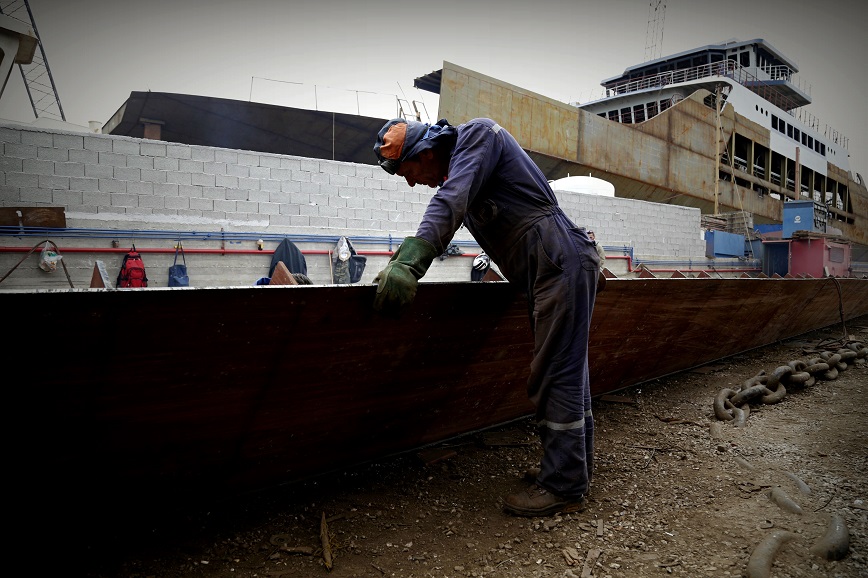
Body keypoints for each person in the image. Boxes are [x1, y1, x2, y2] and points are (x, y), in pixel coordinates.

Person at [372, 117, 600, 517]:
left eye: (409, 173)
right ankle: (570, 469)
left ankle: (563, 483)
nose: (411, 183)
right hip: (550, 268)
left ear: (425, 153)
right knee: (566, 369)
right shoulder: (464, 167)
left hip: (557, 262)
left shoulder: (478, 135)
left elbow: (450, 202)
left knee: (555, 372)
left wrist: (409, 263)